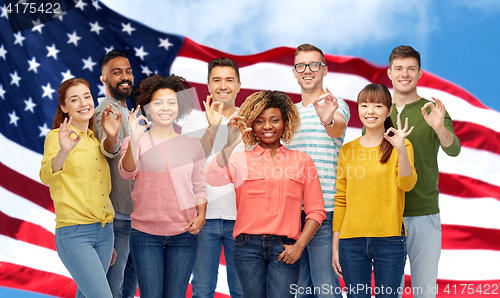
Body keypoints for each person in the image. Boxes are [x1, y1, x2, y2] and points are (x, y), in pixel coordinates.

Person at [205, 90, 326, 298]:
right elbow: (212, 177)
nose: (267, 126)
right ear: (252, 124)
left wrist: (299, 246)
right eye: (260, 121)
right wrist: (231, 142)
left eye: (274, 120)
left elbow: (316, 211)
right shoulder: (240, 159)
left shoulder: (302, 160)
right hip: (246, 248)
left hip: (285, 248)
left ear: (285, 122)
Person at [119, 74, 207, 298]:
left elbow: (199, 185)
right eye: (158, 102)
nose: (165, 108)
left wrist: (202, 215)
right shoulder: (135, 141)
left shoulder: (192, 146)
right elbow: (127, 172)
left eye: (171, 102)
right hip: (145, 233)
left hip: (184, 233)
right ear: (148, 106)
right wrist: (136, 139)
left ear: (180, 106)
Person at [387, 45, 461, 298]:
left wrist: (439, 128)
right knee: (388, 292)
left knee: (425, 292)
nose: (404, 74)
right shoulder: (377, 110)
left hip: (424, 215)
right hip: (386, 216)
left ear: (419, 73)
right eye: (399, 68)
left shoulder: (433, 110)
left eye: (411, 69)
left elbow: (454, 149)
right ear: (389, 73)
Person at [332, 83, 417, 298]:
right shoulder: (347, 151)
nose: (370, 111)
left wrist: (399, 147)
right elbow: (341, 199)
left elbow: (407, 185)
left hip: (390, 239)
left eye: (378, 105)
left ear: (389, 111)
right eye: (365, 105)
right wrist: (335, 245)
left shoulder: (402, 146)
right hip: (351, 242)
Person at [40, 78, 121, 298]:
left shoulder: (95, 142)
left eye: (87, 96)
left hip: (105, 232)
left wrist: (106, 238)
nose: (84, 103)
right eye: (75, 99)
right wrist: (64, 151)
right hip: (75, 233)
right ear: (65, 107)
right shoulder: (57, 137)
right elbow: (46, 175)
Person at [288, 43, 350, 298]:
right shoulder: (289, 112)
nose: (307, 71)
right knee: (298, 292)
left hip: (325, 212)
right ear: (294, 72)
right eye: (301, 66)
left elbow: (336, 127)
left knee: (326, 290)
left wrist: (327, 118)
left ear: (324, 70)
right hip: (292, 214)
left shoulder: (337, 105)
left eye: (314, 65)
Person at [181, 58, 243, 298]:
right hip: (203, 219)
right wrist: (213, 128)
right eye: (217, 80)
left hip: (242, 219)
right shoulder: (193, 122)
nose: (223, 85)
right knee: (203, 290)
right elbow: (191, 161)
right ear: (208, 85)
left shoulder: (251, 121)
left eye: (229, 80)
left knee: (242, 290)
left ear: (238, 85)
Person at [94, 49, 138, 298]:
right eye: (117, 72)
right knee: (111, 287)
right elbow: (108, 149)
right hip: (118, 217)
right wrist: (111, 138)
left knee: (126, 288)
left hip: (137, 216)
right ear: (104, 79)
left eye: (128, 71)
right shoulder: (106, 112)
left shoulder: (131, 114)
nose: (125, 76)